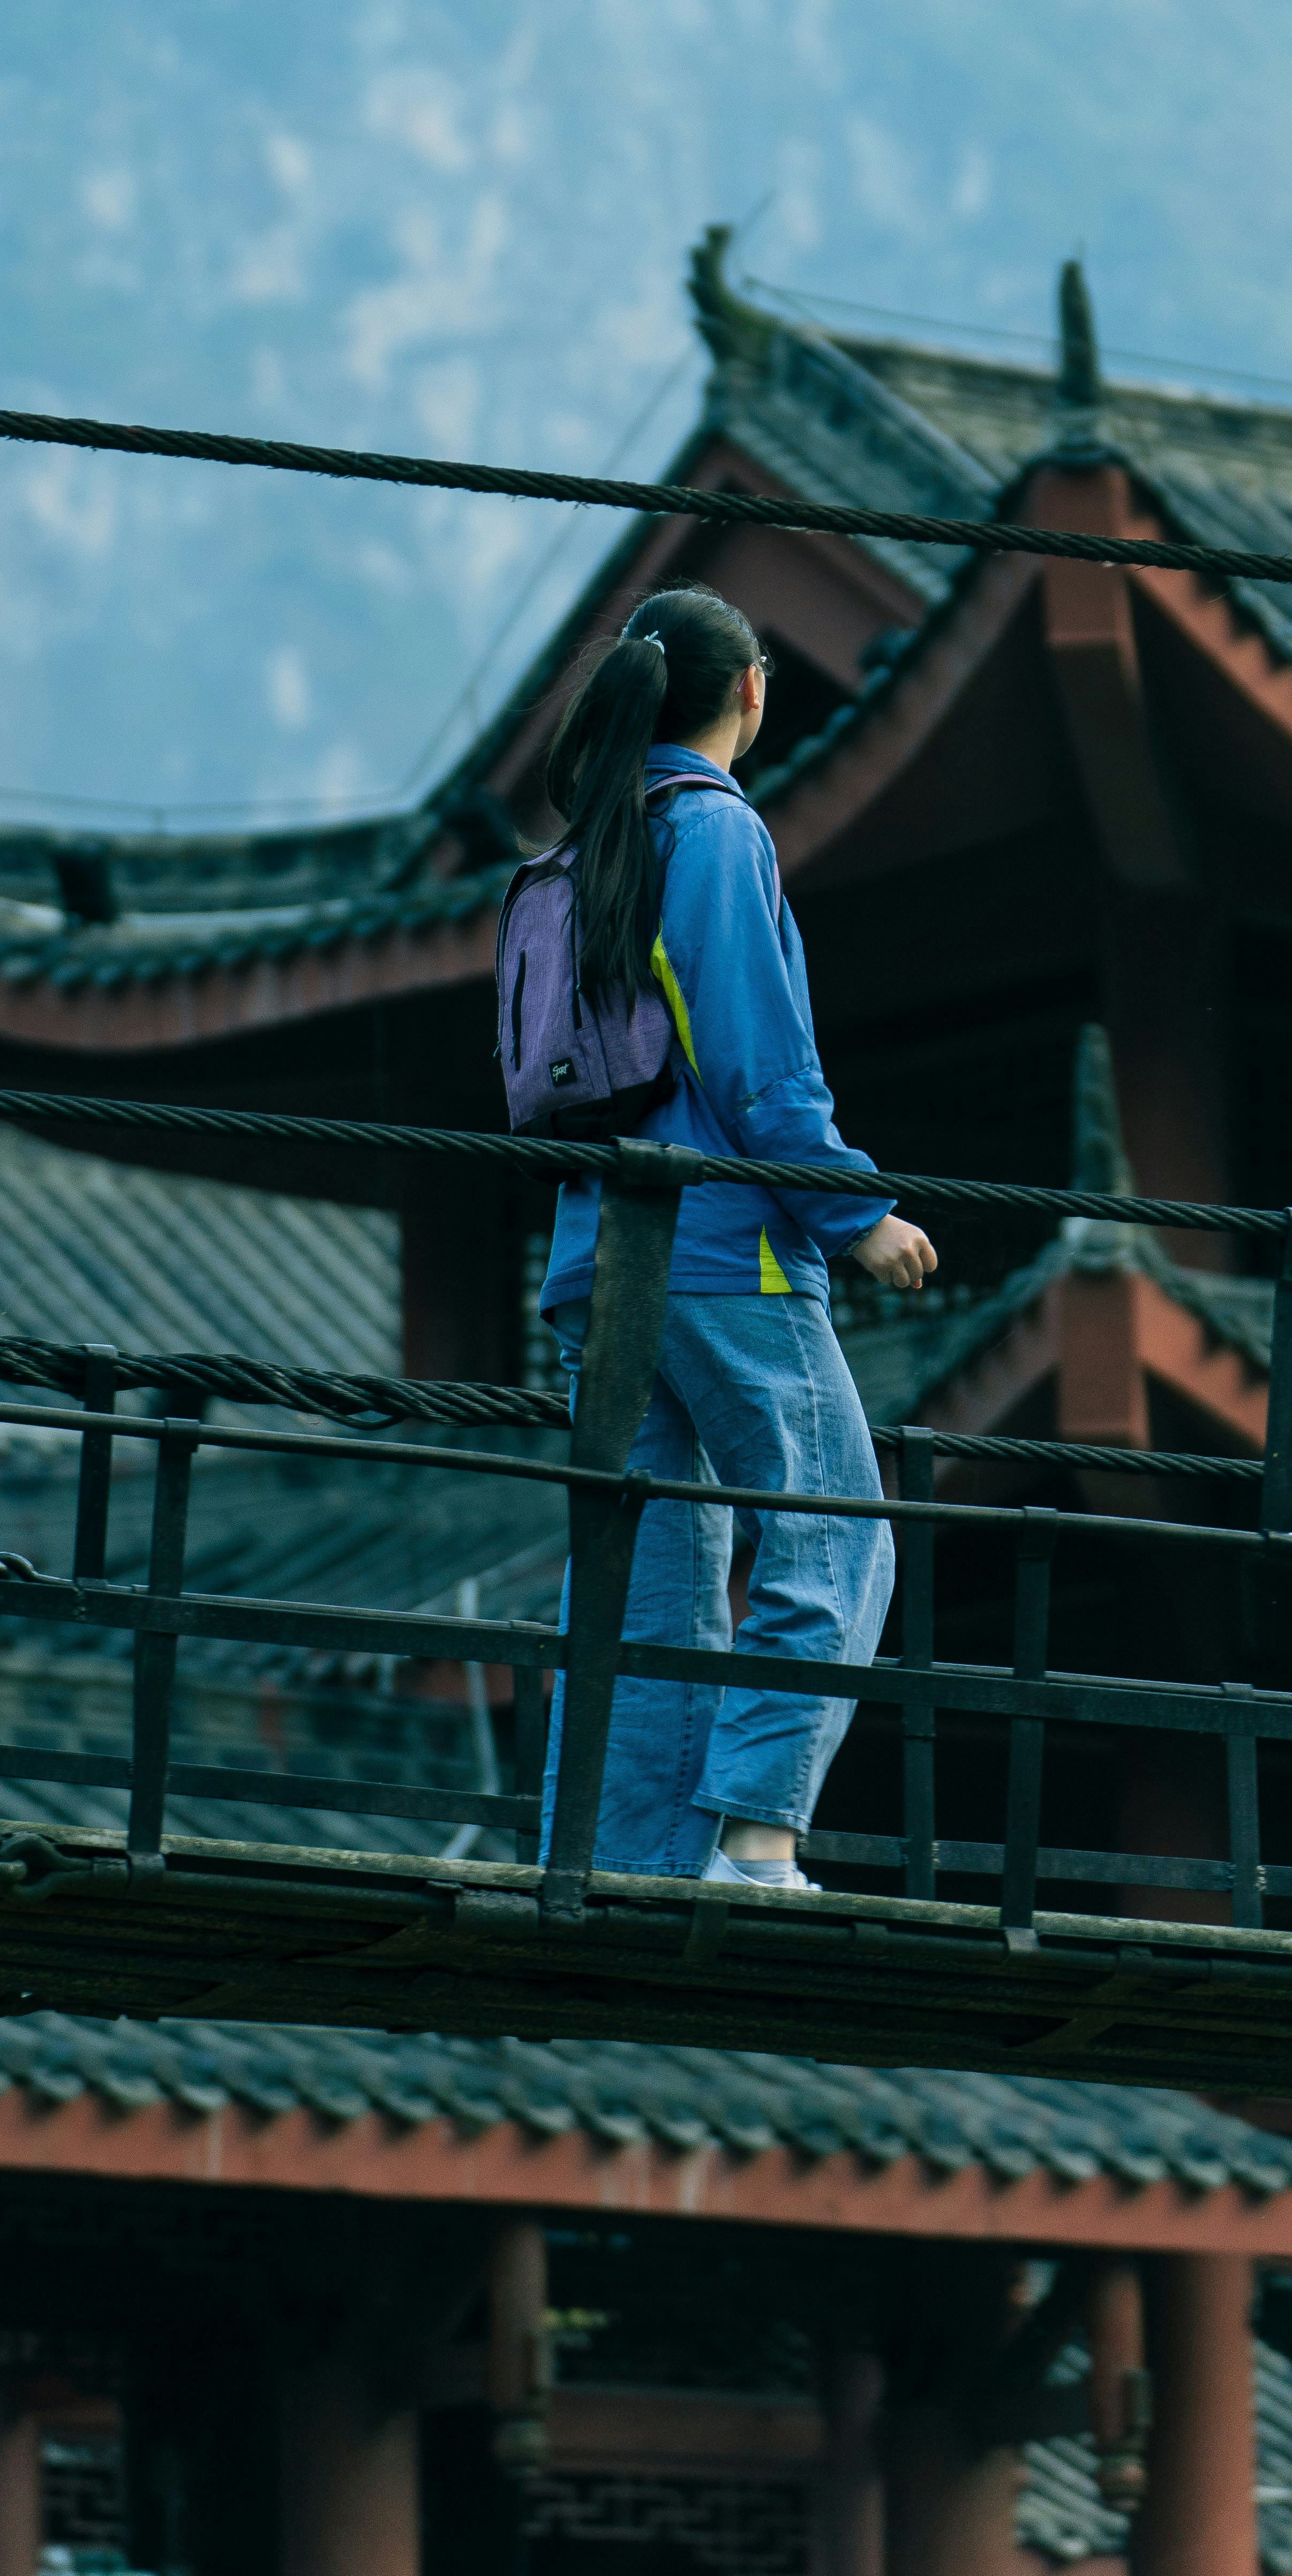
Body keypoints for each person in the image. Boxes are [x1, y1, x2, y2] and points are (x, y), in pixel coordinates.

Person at [535, 584, 939, 1889]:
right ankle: (758, 1835)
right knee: (835, 1520)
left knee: (652, 1563)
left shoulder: (590, 838)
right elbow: (756, 1056)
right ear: (752, 689)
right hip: (722, 1245)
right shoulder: (714, 830)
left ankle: (623, 1857)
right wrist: (854, 1211)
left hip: (599, 1249)